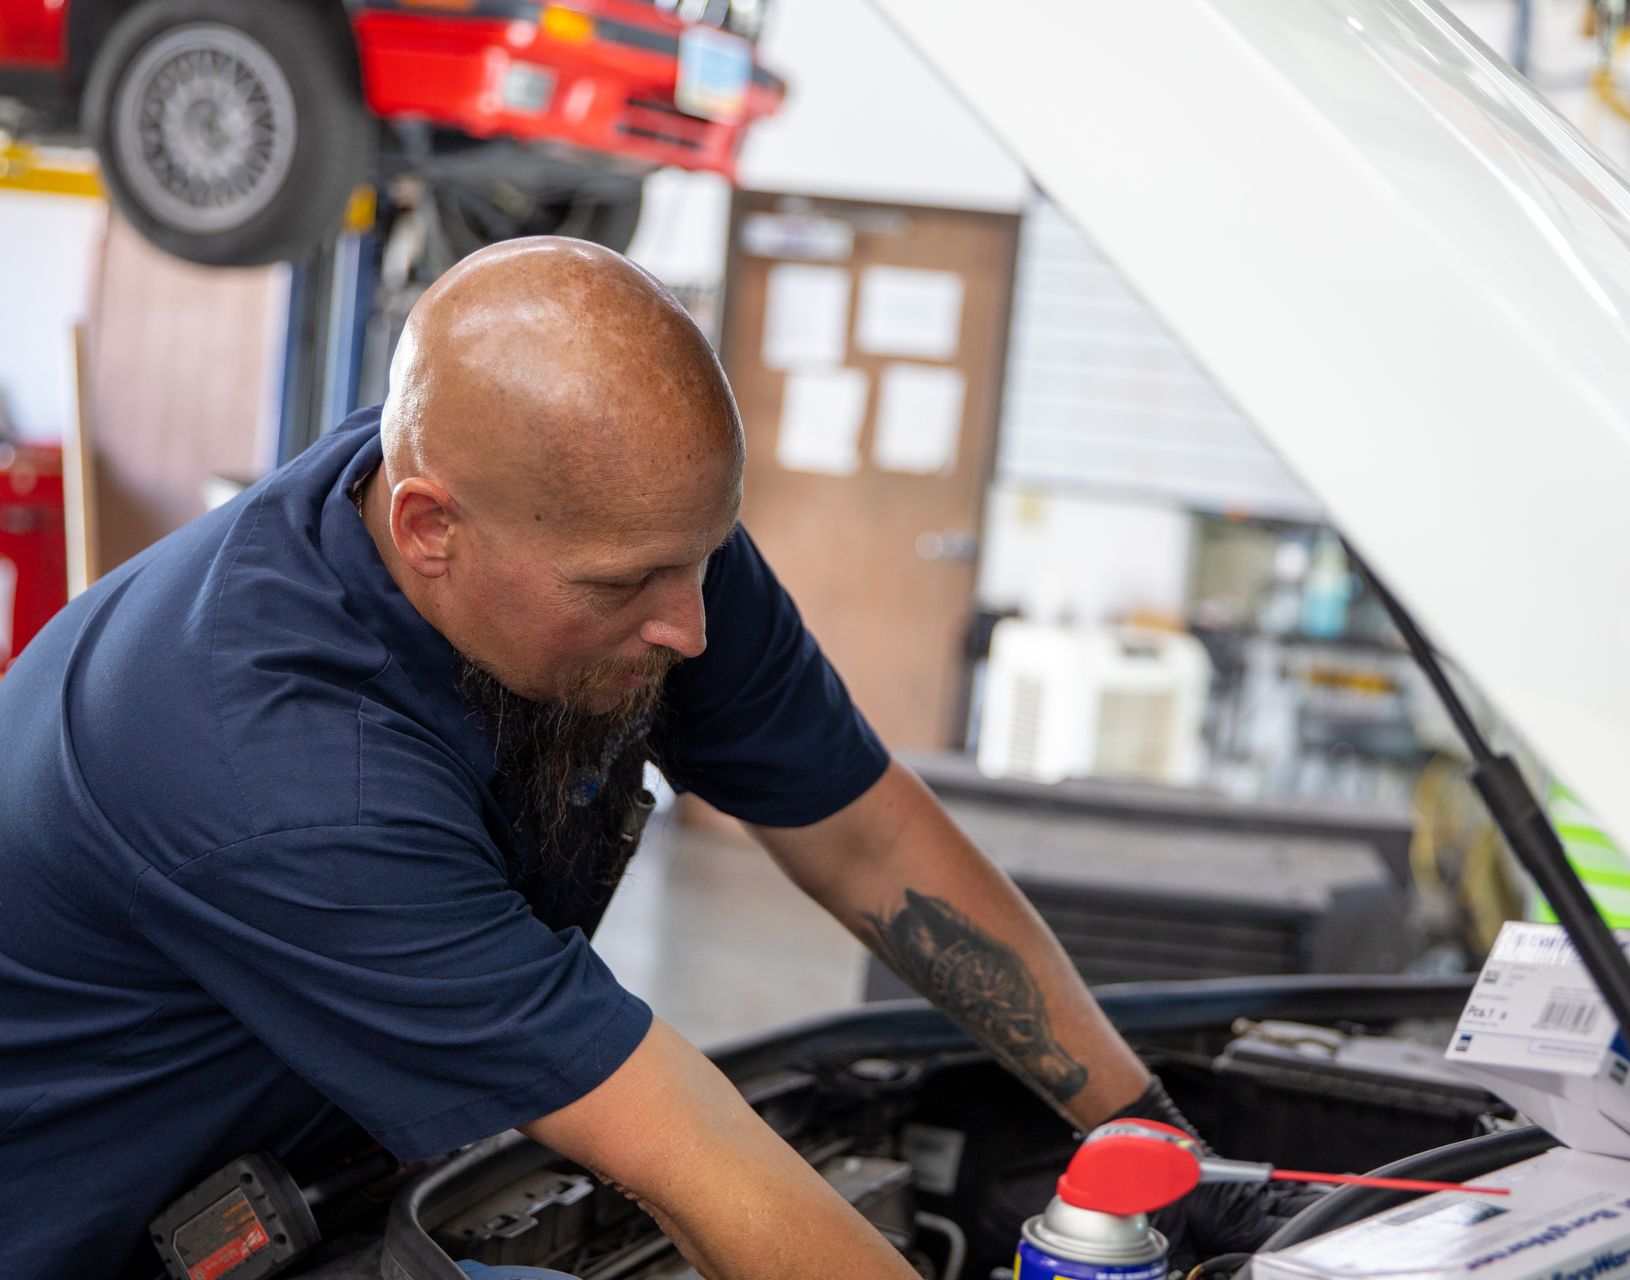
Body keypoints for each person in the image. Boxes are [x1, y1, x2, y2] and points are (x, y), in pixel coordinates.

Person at [0, 238, 1290, 1279]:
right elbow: (691, 1155)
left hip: (304, 1166)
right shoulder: (273, 771)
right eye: (629, 583)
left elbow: (864, 834)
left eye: (703, 554)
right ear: (428, 526)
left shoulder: (589, 520)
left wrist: (1148, 1134)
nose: (690, 626)